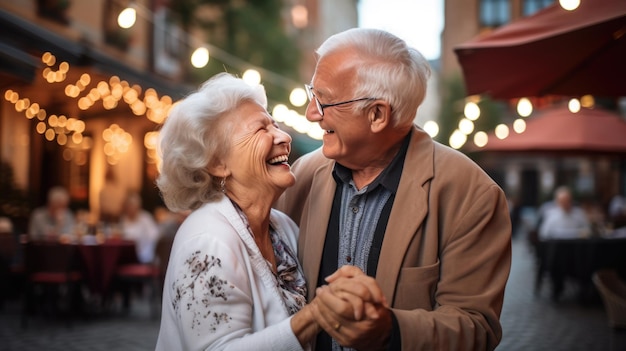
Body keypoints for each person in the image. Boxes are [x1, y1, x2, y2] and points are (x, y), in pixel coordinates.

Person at [275, 28, 512, 351]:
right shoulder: (301, 175)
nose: (311, 113)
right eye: (311, 94)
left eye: (324, 100)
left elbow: (475, 327)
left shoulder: (472, 194)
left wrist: (390, 330)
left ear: (377, 115)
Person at [154, 73, 320, 350]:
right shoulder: (205, 240)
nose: (283, 136)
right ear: (218, 163)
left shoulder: (284, 228)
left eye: (275, 125)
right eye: (261, 130)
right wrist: (314, 318)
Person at [119, 191, 160, 264]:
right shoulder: (123, 219)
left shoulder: (146, 218)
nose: (131, 208)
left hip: (144, 256)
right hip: (126, 255)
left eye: (133, 205)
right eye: (129, 205)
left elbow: (155, 237)